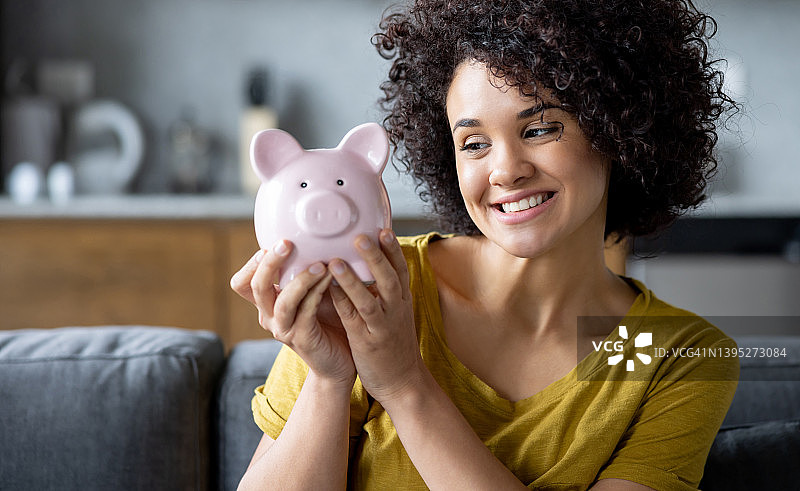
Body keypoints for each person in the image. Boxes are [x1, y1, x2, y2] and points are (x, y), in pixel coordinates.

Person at [230, 0, 740, 489]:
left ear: (617, 129)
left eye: (540, 128)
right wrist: (328, 378)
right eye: (474, 144)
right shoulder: (378, 285)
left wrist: (403, 384)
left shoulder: (673, 355)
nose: (505, 170)